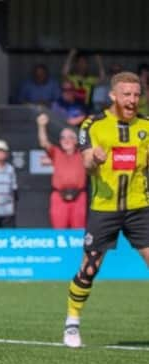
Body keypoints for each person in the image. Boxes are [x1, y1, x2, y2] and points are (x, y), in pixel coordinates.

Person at [62, 72, 149, 348]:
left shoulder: (146, 126)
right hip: (105, 208)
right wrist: (94, 160)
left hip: (140, 207)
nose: (132, 100)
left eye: (136, 95)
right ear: (113, 95)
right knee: (89, 268)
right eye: (127, 94)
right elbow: (86, 163)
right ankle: (72, 323)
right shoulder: (94, 124)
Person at [36, 113, 87, 228]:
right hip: (59, 197)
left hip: (79, 196)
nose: (66, 140)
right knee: (59, 232)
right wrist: (41, 126)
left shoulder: (82, 154)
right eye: (63, 137)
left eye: (70, 137)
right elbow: (44, 143)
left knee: (78, 232)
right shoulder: (56, 153)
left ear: (76, 141)